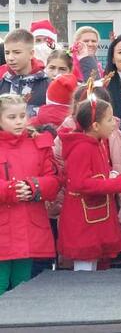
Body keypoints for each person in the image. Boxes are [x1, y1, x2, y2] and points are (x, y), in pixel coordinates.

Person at [58, 93, 121, 271]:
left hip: (94, 215)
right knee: (84, 265)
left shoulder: (95, 143)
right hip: (82, 217)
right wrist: (116, 183)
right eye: (109, 119)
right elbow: (80, 183)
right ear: (96, 126)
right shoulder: (82, 148)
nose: (115, 122)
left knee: (94, 264)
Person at [0, 94, 59, 294]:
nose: (19, 121)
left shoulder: (38, 144)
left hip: (28, 227)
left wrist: (33, 186)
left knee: (22, 287)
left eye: (22, 116)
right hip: (4, 228)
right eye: (12, 117)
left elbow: (53, 181)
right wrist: (10, 190)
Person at [0, 30, 50, 117]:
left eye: (17, 52)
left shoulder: (47, 84)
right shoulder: (3, 82)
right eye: (7, 53)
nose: (10, 58)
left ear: (31, 54)